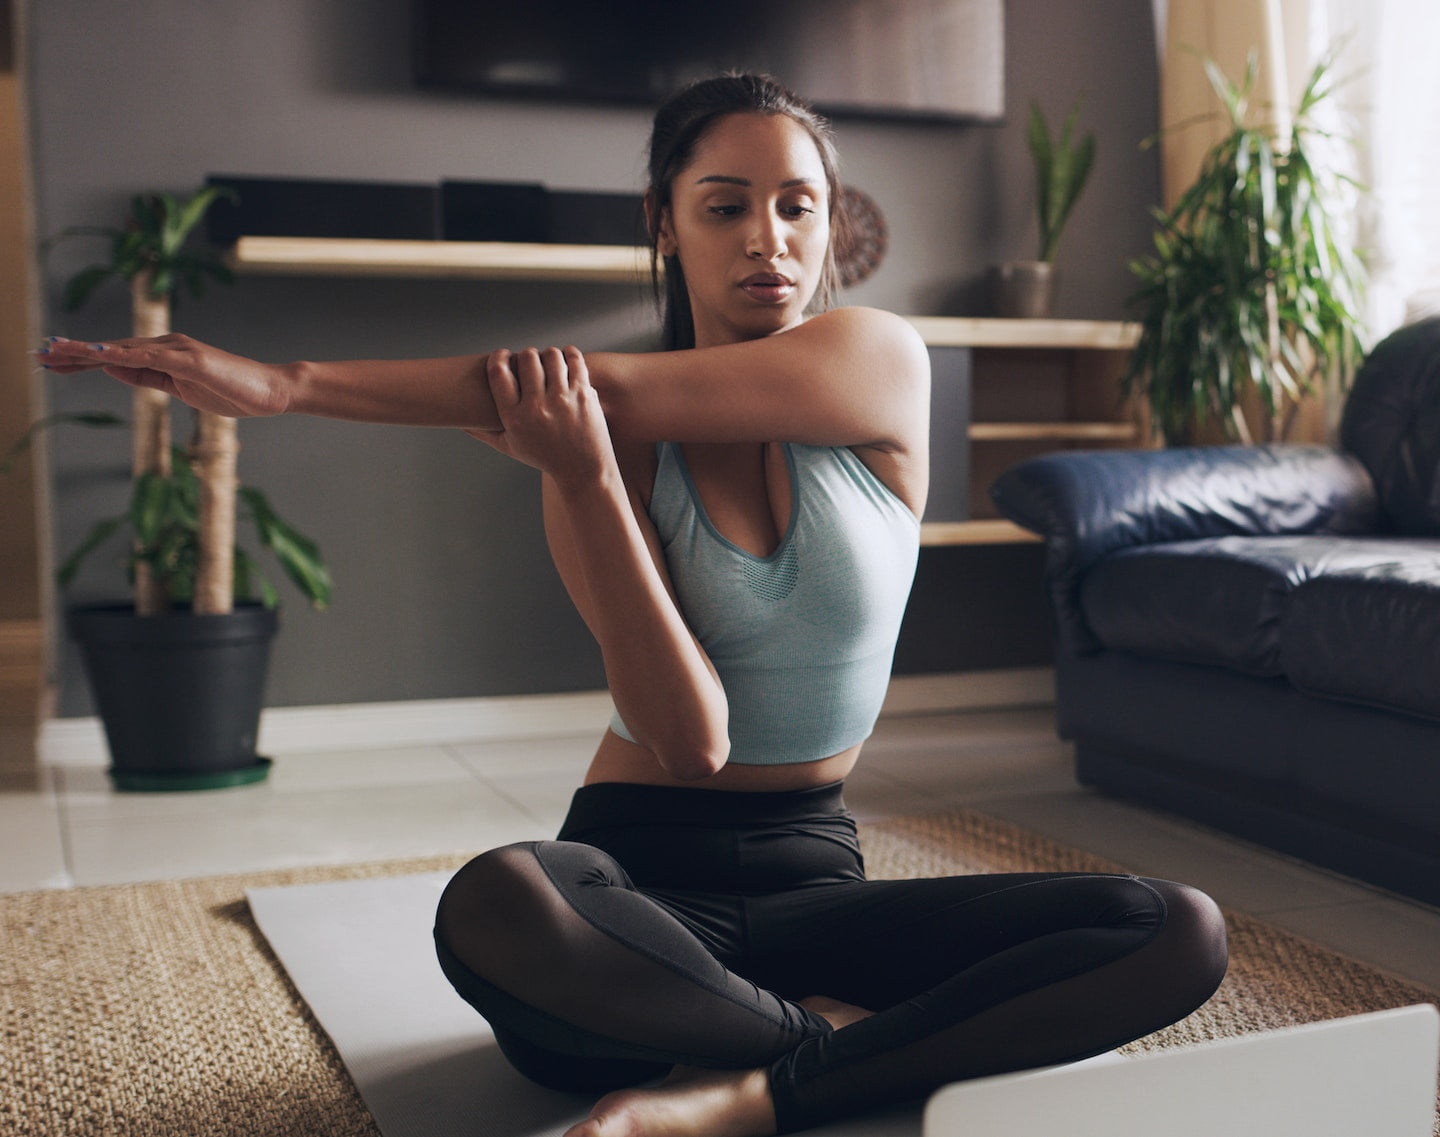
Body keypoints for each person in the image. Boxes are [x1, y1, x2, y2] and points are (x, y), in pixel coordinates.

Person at [41, 73, 1228, 1137]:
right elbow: (691, 736)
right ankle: (832, 1046)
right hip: (629, 910)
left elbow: (576, 379)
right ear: (662, 222)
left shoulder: (876, 361)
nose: (768, 239)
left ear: (830, 223)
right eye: (724, 206)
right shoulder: (593, 447)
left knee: (1173, 928)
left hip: (817, 886)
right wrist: (588, 475)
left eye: (797, 205)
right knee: (503, 898)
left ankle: (760, 1080)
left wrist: (289, 383)